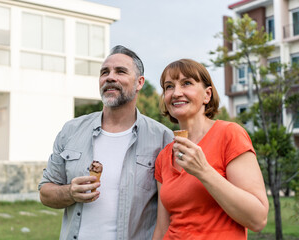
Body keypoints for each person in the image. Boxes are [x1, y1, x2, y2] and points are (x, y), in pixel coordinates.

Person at [38, 45, 174, 240]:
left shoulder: (163, 139)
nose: (110, 77)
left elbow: (174, 209)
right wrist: (70, 192)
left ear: (139, 82)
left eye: (120, 71)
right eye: (104, 72)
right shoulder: (71, 131)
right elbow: (45, 193)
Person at [152, 59, 269, 240]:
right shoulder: (164, 155)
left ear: (207, 95)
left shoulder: (229, 134)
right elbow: (162, 229)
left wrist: (203, 171)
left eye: (187, 83)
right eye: (169, 87)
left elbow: (257, 219)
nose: (176, 93)